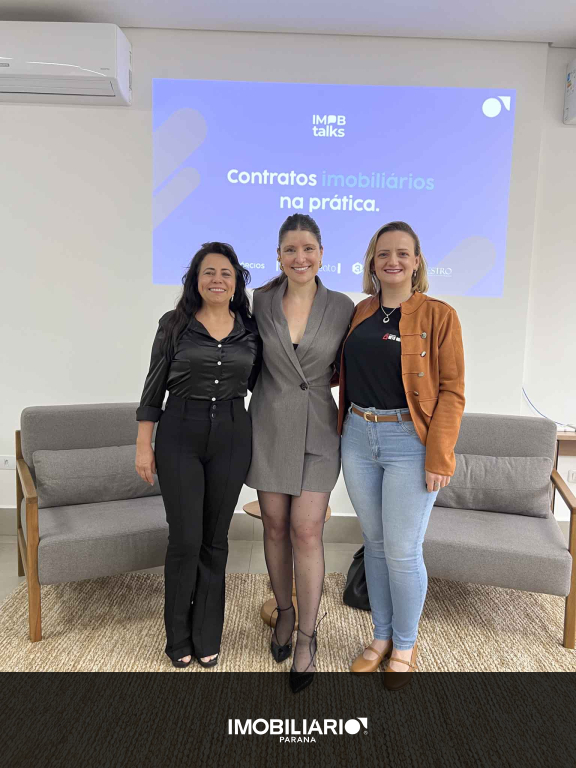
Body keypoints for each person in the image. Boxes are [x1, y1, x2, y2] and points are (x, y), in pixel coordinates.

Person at [338, 221, 465, 689]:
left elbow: (452, 392)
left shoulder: (439, 315)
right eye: (383, 253)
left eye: (402, 253)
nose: (392, 261)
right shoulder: (361, 312)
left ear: (417, 262)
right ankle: (381, 636)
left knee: (403, 551)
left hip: (409, 442)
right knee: (374, 543)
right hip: (357, 436)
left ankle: (405, 646)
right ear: (372, 262)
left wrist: (439, 456)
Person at [135, 242, 261, 669]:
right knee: (186, 539)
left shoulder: (251, 330)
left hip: (232, 434)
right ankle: (178, 637)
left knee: (215, 540)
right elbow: (153, 388)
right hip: (179, 434)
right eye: (209, 272)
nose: (217, 280)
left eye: (226, 273)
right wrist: (144, 445)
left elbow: (264, 385)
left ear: (237, 281)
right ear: (195, 279)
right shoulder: (174, 325)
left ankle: (207, 634)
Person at [246, 214, 354, 693]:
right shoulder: (260, 301)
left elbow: (351, 365)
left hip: (319, 430)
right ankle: (285, 612)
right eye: (290, 249)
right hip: (268, 426)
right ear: (278, 256)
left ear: (322, 254)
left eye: (308, 248)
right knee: (274, 526)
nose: (300, 257)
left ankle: (308, 636)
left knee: (306, 529)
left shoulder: (343, 306)